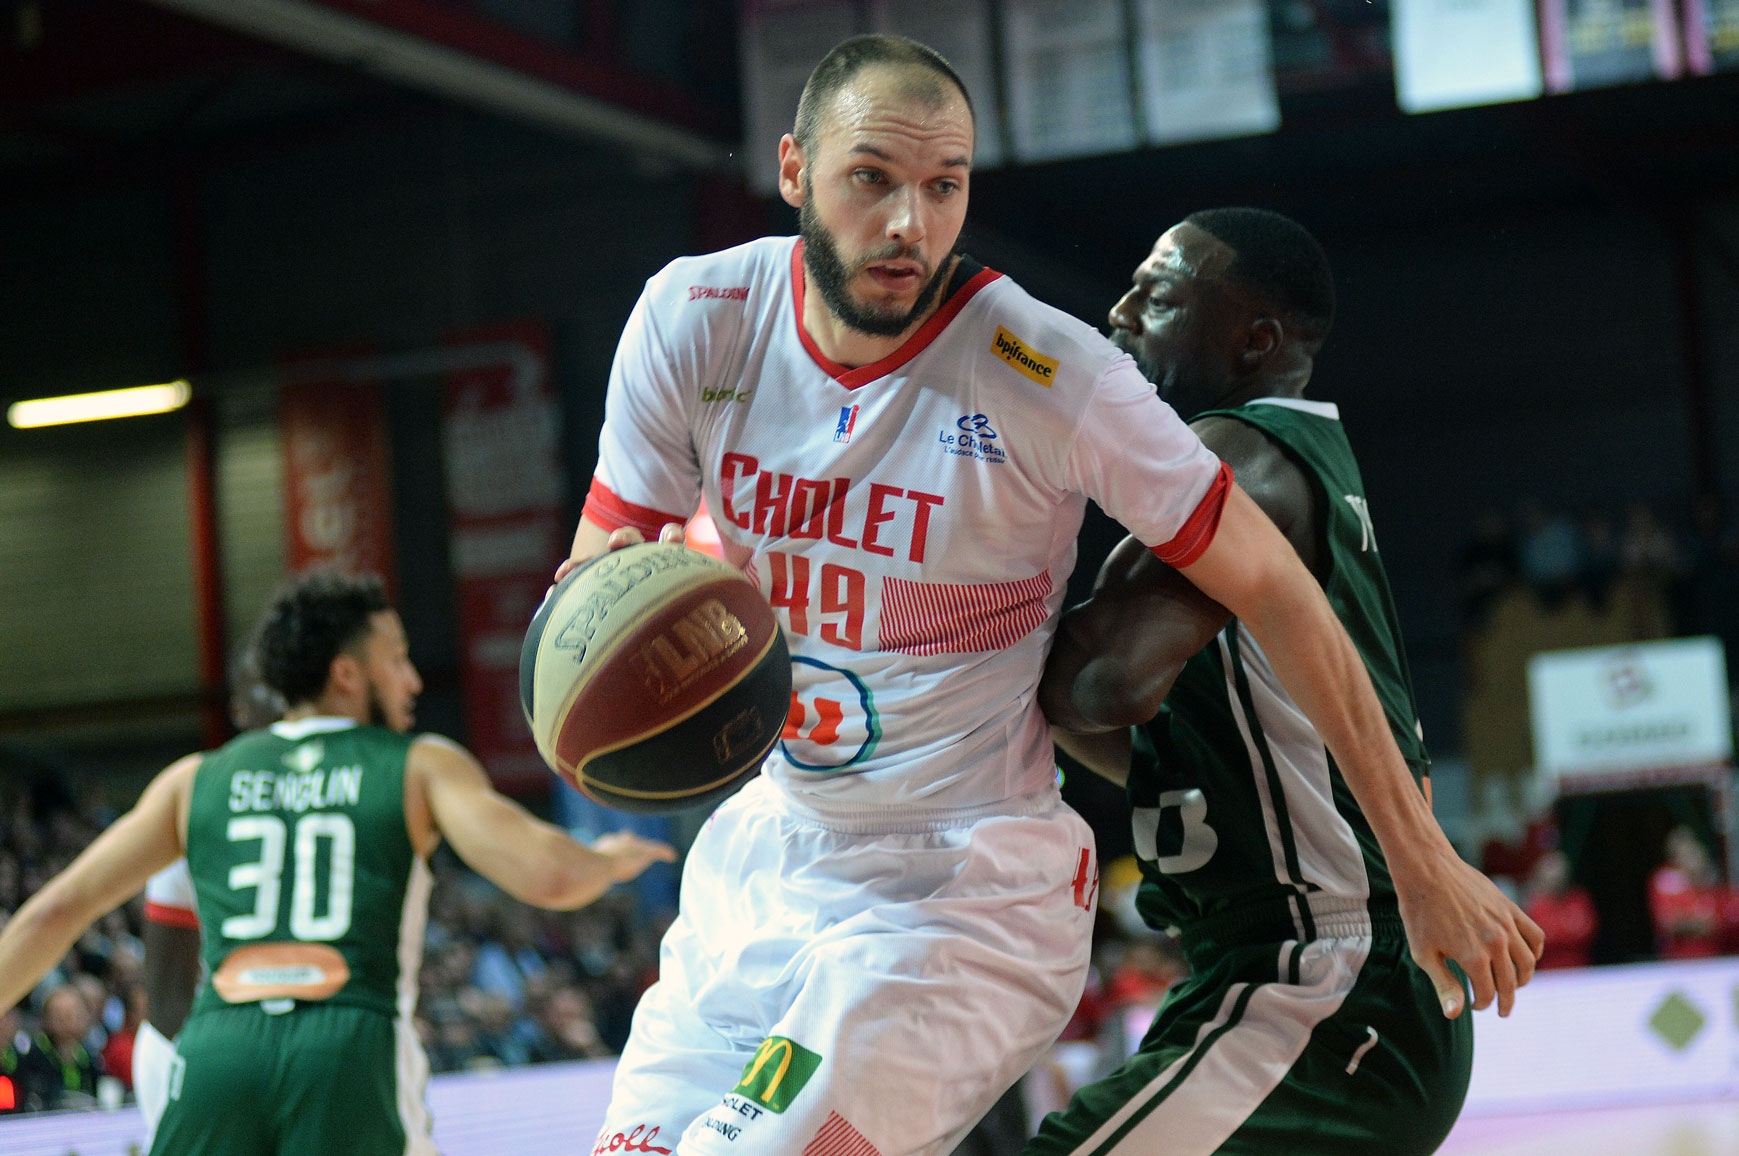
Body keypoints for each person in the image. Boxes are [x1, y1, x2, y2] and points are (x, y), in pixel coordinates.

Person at [563, 36, 1537, 1156]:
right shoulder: (694, 317)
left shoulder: (1052, 372)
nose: (907, 224)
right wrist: (606, 648)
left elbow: (1275, 591)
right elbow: (604, 572)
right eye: (870, 178)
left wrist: (1420, 861)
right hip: (766, 854)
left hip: (958, 885)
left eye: (943, 187)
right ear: (791, 171)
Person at [1028, 209, 1543, 1155]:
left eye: (1160, 292)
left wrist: (962, 608)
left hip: (1327, 979)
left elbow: (1101, 685)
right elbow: (1134, 732)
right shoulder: (1304, 464)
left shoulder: (1239, 453)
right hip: (1295, 973)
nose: (1119, 310)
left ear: (1253, 339)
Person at [0, 571, 674, 1154]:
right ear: (347, 674)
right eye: (398, 659)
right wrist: (606, 862)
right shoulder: (419, 765)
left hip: (216, 1048)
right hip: (348, 1040)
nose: (412, 680)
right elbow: (549, 875)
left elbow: (59, 909)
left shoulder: (192, 780)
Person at [1522, 849, 1597, 969]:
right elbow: (1537, 939)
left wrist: (1555, 929)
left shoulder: (1579, 899)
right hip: (1548, 974)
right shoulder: (1536, 904)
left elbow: (1588, 931)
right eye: (1551, 876)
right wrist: (1568, 927)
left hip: (1580, 970)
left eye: (1559, 875)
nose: (1556, 880)